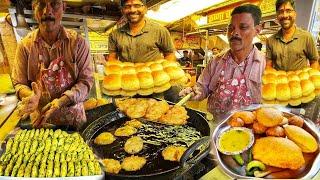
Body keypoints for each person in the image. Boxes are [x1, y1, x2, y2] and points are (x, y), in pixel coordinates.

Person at [11, 0, 93, 129]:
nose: (47, 11)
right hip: (41, 122)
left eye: (54, 4)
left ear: (64, 7)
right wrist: (30, 96)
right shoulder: (24, 46)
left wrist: (62, 101)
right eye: (41, 4)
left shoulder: (78, 43)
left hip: (74, 121)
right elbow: (19, 83)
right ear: (34, 8)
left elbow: (86, 81)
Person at [179, 4, 265, 119]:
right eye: (231, 28)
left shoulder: (266, 65)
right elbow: (203, 87)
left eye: (243, 27)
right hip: (216, 127)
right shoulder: (216, 61)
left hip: (250, 131)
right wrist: (195, 92)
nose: (234, 33)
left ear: (257, 30)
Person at [107, 0, 176, 62]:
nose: (132, 10)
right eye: (127, 6)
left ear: (145, 9)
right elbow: (112, 58)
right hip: (127, 75)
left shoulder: (160, 31)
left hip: (152, 75)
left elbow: (170, 55)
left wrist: (164, 72)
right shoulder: (114, 35)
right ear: (123, 10)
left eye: (137, 5)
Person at [266, 0, 319, 71]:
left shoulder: (307, 37)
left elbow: (314, 62)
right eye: (281, 11)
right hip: (279, 81)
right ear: (277, 16)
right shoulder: (270, 40)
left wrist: (310, 78)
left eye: (288, 11)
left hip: (300, 81)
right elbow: (268, 66)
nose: (285, 15)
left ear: (295, 14)